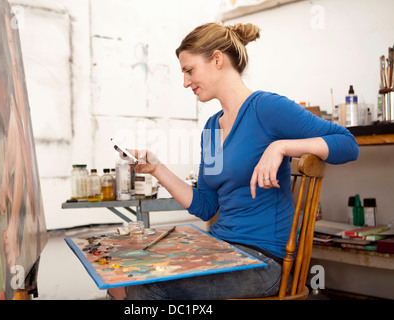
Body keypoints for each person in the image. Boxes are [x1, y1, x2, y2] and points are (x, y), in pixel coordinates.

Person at [108, 22, 359, 300]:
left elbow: (347, 144)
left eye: (189, 70)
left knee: (147, 288)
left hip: (263, 261)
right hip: (221, 250)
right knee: (121, 275)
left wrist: (282, 146)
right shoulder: (212, 129)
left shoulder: (266, 108)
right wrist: (157, 168)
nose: (185, 82)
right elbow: (206, 206)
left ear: (217, 59)